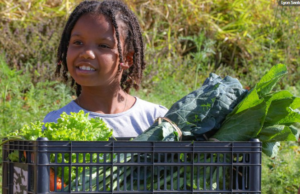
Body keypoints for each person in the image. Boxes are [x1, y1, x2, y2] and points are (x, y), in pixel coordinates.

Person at [43, 0, 168, 138]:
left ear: (127, 59)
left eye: (103, 46)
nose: (86, 53)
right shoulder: (55, 124)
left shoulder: (156, 120)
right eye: (78, 42)